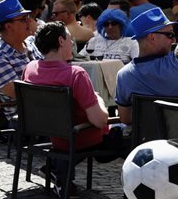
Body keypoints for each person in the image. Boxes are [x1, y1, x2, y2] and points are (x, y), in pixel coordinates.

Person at [24, 22, 123, 157]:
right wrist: (98, 99)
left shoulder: (30, 68)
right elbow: (100, 121)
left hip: (52, 136)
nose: (72, 43)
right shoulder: (75, 74)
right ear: (61, 40)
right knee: (129, 134)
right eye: (70, 39)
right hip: (82, 139)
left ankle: (56, 167)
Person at [114, 7, 178, 124]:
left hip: (146, 141)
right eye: (169, 35)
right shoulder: (175, 64)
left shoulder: (124, 75)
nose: (174, 40)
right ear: (152, 37)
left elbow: (126, 119)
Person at [0, 0, 41, 101]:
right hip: (26, 114)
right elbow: (25, 95)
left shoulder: (31, 42)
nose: (29, 21)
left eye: (28, 17)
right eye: (23, 19)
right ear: (8, 26)